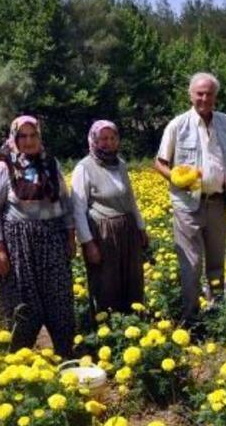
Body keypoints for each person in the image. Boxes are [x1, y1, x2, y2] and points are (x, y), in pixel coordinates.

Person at [154, 72, 226, 323]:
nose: (205, 98)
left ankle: (216, 312)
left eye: (210, 94)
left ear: (216, 96)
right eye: (199, 93)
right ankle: (190, 318)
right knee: (191, 265)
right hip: (188, 204)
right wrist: (177, 178)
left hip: (217, 201)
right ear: (191, 95)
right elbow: (159, 162)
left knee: (216, 262)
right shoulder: (177, 124)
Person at [0, 115, 76, 355]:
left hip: (53, 239)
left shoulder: (51, 164)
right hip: (19, 244)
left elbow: (65, 202)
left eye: (33, 135)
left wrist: (70, 235)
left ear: (40, 136)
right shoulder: (4, 168)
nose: (28, 141)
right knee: (23, 303)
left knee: (59, 299)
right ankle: (16, 359)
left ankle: (65, 354)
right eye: (22, 136)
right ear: (14, 139)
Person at [71, 120, 148, 315]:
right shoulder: (84, 168)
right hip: (102, 232)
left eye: (113, 138)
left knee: (131, 279)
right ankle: (108, 325)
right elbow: (78, 210)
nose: (109, 143)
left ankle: (132, 321)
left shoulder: (120, 164)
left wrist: (141, 228)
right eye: (103, 138)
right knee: (107, 282)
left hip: (127, 229)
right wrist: (88, 243)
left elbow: (130, 199)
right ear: (94, 141)